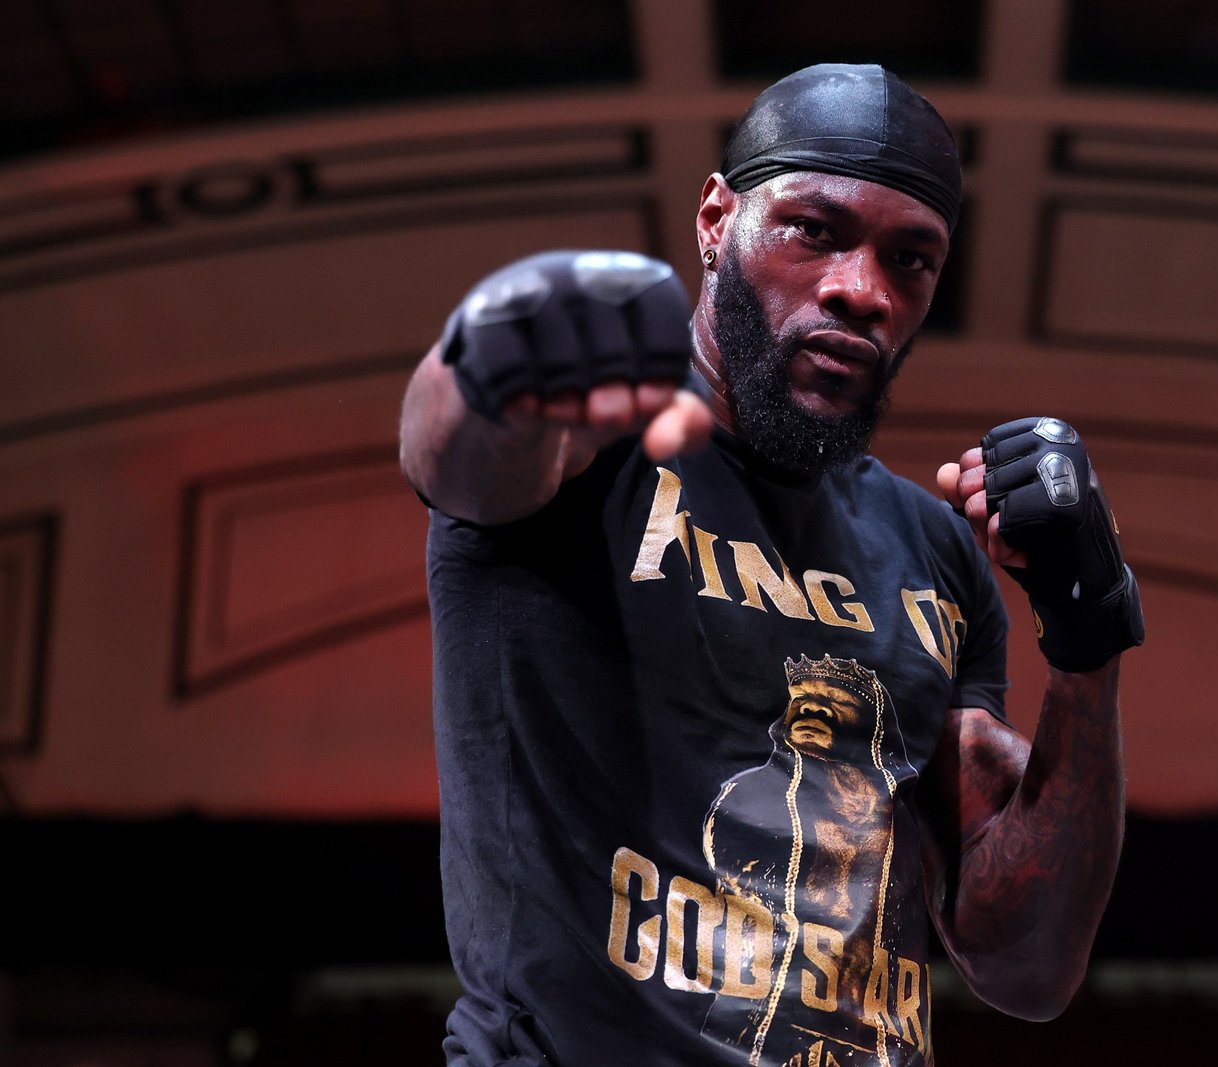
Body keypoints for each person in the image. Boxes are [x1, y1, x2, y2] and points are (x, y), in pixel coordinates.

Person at [399, 62, 1143, 1067]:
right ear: (716, 219)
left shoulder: (931, 549)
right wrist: (492, 356)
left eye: (910, 259)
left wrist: (1088, 634)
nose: (861, 290)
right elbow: (454, 455)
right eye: (814, 230)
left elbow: (1029, 968)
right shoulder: (589, 448)